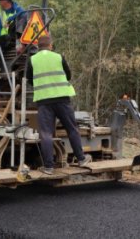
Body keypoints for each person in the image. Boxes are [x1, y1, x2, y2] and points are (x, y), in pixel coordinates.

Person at [27, 36, 92, 175]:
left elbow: (30, 80)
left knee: (45, 134)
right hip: (62, 99)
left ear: (39, 47)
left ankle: (49, 167)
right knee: (72, 129)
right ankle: (81, 159)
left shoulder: (32, 60)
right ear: (50, 45)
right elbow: (68, 75)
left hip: (44, 102)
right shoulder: (58, 57)